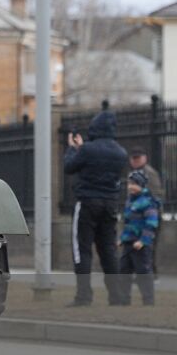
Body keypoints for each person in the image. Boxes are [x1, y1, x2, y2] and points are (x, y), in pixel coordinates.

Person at [63, 110, 127, 306]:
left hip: (87, 203)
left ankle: (84, 296)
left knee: (82, 250)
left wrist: (73, 149)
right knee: (108, 250)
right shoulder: (121, 152)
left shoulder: (87, 150)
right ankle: (116, 296)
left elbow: (69, 167)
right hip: (110, 204)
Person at [117, 170, 160, 306]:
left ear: (142, 185)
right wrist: (122, 239)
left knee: (143, 272)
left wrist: (143, 240)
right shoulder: (129, 201)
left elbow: (151, 223)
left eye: (134, 184)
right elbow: (127, 223)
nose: (130, 186)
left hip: (140, 244)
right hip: (129, 243)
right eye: (129, 183)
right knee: (124, 271)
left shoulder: (147, 202)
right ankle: (124, 299)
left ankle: (148, 300)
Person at [128, 147, 163, 278]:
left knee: (148, 244)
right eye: (133, 158)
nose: (135, 160)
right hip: (136, 216)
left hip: (148, 216)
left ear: (145, 158)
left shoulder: (149, 173)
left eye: (138, 158)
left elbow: (156, 194)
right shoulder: (133, 173)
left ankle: (149, 274)